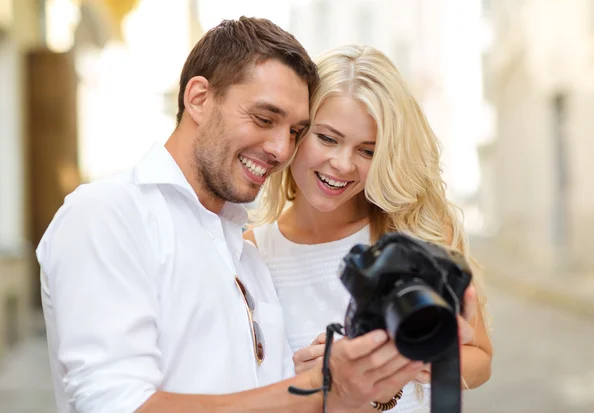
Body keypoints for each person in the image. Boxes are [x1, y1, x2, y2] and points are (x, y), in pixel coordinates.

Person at [36, 19, 429, 413]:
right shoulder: (108, 214)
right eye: (264, 118)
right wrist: (316, 386)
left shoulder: (246, 254)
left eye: (295, 131)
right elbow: (119, 406)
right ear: (199, 98)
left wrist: (352, 383)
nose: (280, 149)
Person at [245, 45, 493, 412]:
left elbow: (480, 359)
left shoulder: (416, 233)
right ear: (296, 132)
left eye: (367, 150)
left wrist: (413, 354)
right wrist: (303, 381)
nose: (342, 164)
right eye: (327, 138)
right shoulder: (253, 251)